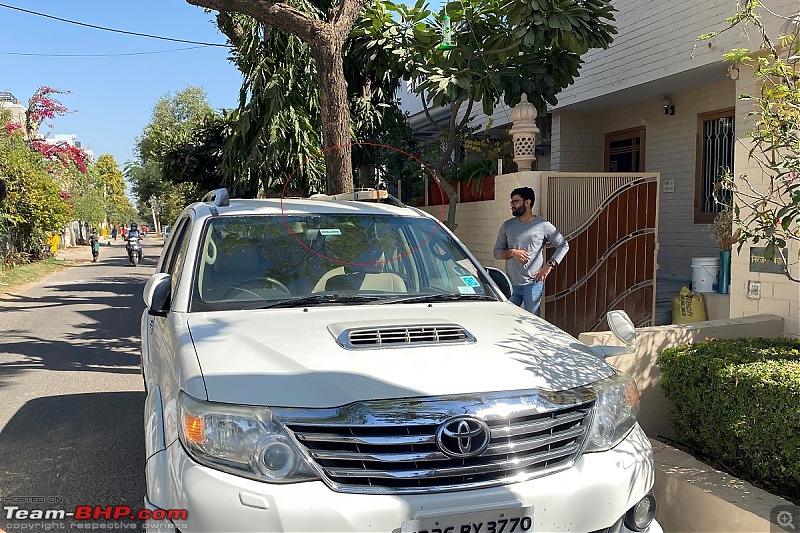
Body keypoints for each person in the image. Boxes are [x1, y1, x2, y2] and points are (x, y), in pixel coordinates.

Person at [493, 186, 569, 316]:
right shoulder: (507, 226)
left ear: (527, 203)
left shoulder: (543, 225)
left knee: (532, 321)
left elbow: (563, 245)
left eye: (515, 201)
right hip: (511, 284)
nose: (512, 205)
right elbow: (496, 252)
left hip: (533, 284)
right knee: (505, 318)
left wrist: (549, 266)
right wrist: (512, 252)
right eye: (511, 202)